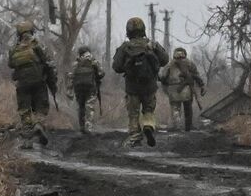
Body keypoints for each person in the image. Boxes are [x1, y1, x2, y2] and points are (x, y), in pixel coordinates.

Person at [110, 16, 169, 147]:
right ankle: (148, 125)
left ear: (128, 31)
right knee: (148, 109)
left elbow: (116, 67)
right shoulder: (151, 44)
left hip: (132, 87)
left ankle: (135, 138)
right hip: (150, 87)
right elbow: (165, 60)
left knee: (133, 113)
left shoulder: (126, 47)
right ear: (143, 29)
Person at [6, 20, 55, 147]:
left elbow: (10, 64)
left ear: (19, 34)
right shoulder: (38, 45)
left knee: (24, 110)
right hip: (38, 82)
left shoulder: (14, 48)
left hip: (22, 84)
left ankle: (27, 141)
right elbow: (48, 61)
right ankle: (38, 125)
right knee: (41, 107)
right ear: (32, 31)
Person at [161, 47, 206, 132]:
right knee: (188, 108)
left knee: (175, 108)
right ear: (184, 53)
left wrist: (166, 84)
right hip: (187, 89)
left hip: (173, 89)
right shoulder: (189, 63)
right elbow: (196, 75)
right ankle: (188, 127)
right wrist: (202, 85)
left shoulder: (169, 64)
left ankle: (177, 127)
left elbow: (163, 77)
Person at [69, 46, 104, 133]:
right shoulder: (93, 61)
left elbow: (71, 76)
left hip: (78, 88)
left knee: (81, 106)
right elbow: (101, 73)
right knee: (89, 106)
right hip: (91, 87)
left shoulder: (76, 63)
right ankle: (89, 127)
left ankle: (81, 126)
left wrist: (69, 89)